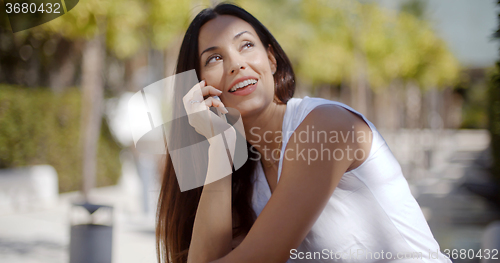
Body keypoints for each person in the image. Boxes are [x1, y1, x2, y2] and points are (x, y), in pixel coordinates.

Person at [156, 3, 451, 263]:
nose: (237, 64)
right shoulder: (245, 173)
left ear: (271, 60)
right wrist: (218, 152)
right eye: (214, 59)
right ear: (199, 88)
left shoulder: (325, 126)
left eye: (246, 45)